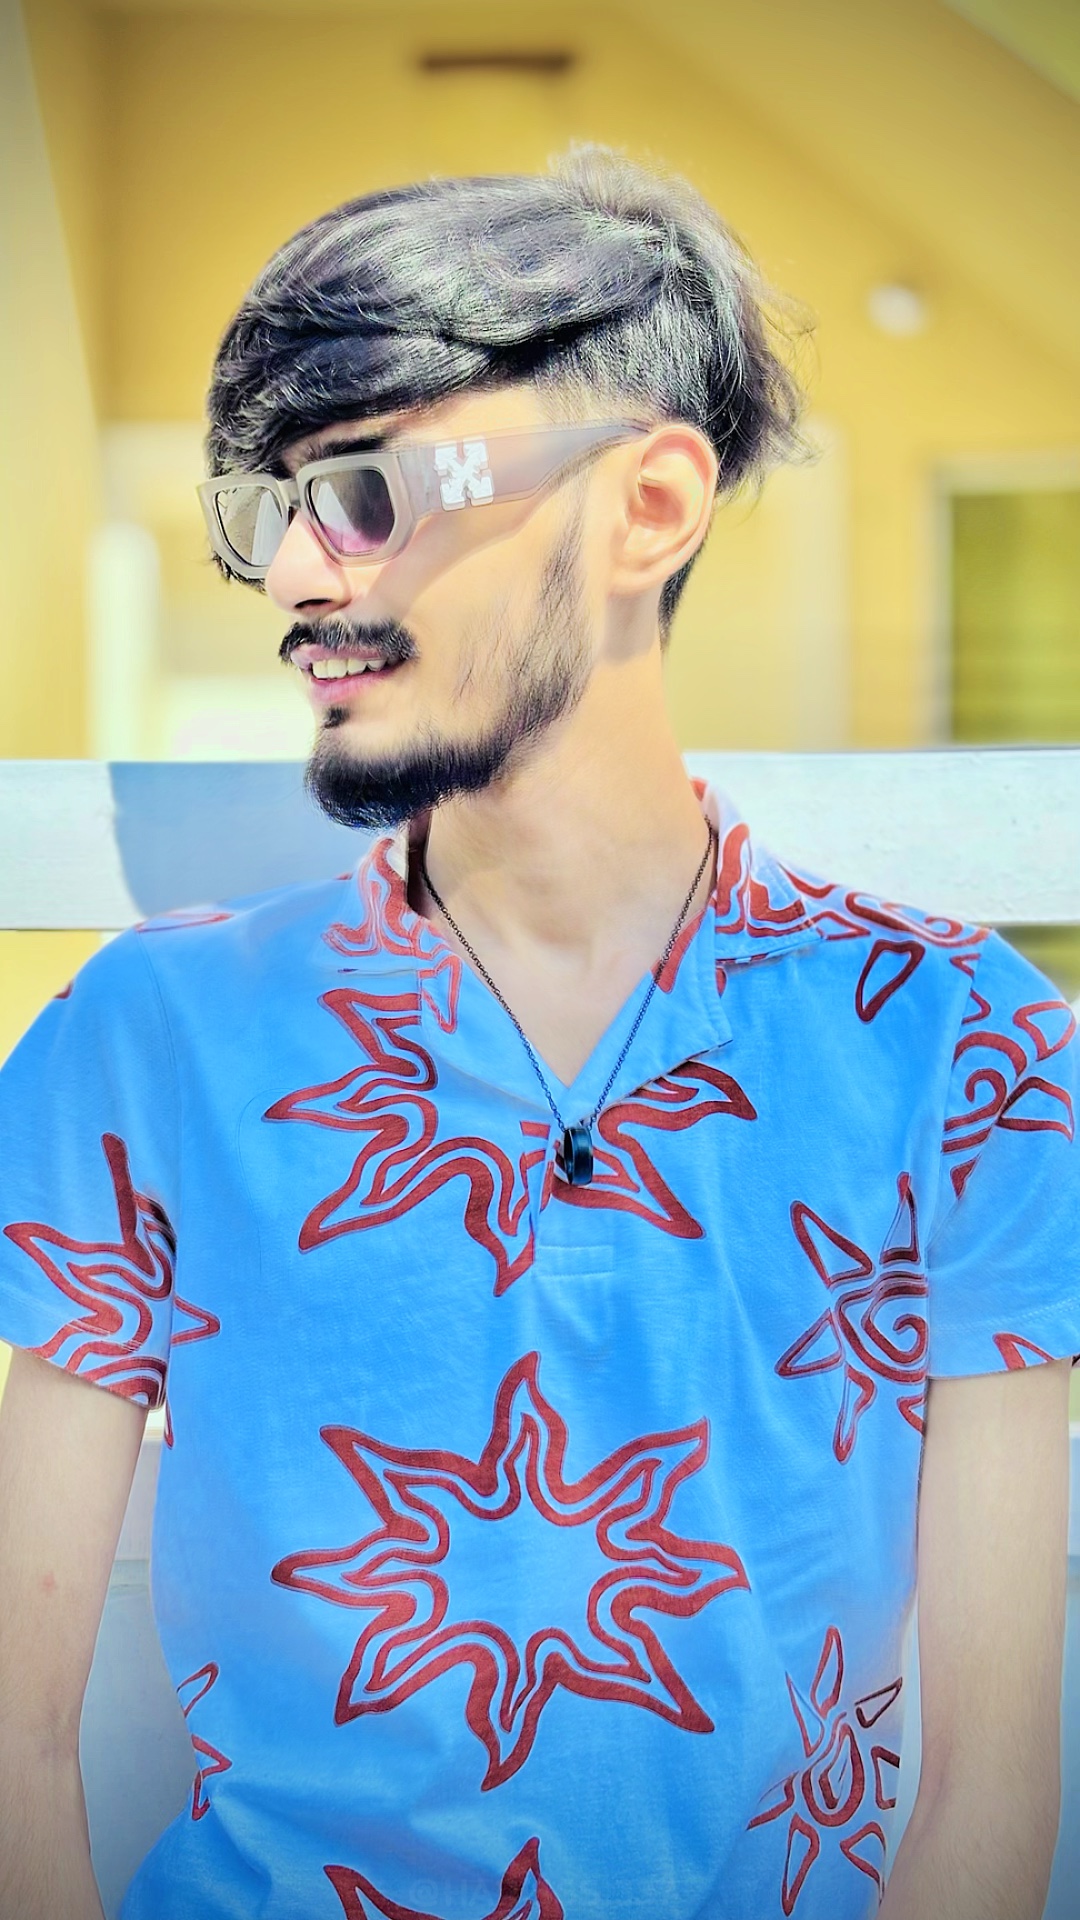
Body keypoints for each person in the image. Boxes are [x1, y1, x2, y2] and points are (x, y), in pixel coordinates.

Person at [0, 147, 1076, 1920]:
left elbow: (989, 1790)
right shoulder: (150, 1040)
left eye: (367, 489)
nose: (298, 574)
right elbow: (16, 1748)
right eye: (275, 510)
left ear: (648, 506)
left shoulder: (966, 1054)